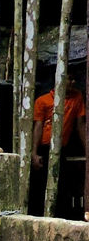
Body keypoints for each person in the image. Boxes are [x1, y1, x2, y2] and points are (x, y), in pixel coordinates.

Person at [30, 72, 86, 218]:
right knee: (40, 186)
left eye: (74, 79)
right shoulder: (43, 101)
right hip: (44, 148)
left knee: (63, 186)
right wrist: (34, 153)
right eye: (70, 79)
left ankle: (61, 218)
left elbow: (80, 125)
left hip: (62, 149)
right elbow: (38, 126)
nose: (72, 82)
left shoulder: (77, 97)